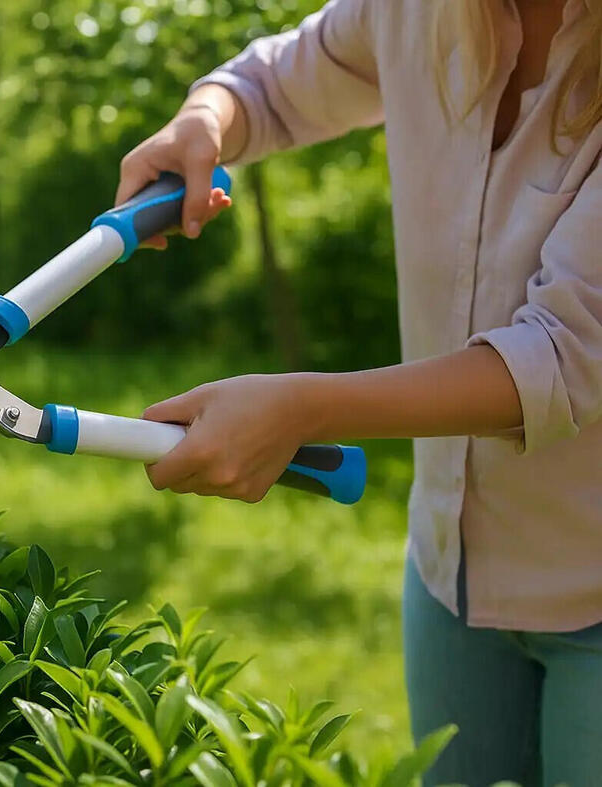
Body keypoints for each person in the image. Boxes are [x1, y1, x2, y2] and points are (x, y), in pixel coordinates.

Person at [119, 0, 602, 783]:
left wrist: (302, 408)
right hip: (448, 571)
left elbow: (563, 352)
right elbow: (274, 84)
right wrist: (206, 118)